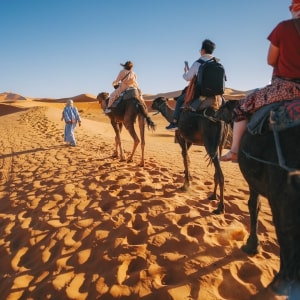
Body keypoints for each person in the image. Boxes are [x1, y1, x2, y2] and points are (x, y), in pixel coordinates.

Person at [220, 0, 300, 162]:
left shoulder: (284, 27)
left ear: (293, 9)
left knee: (242, 108)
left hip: (285, 88)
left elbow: (271, 60)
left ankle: (234, 150)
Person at [166, 39, 218, 131]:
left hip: (200, 92)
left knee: (179, 101)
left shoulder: (198, 62)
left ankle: (174, 122)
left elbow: (187, 78)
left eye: (200, 50)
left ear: (203, 50)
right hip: (216, 94)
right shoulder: (217, 63)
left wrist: (185, 72)